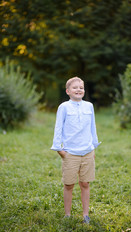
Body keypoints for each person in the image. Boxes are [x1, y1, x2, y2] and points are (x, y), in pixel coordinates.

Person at [51, 76, 100, 224]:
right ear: (68, 91)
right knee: (69, 184)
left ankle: (86, 214)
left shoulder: (89, 106)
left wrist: (94, 146)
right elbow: (58, 127)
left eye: (81, 87)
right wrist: (59, 148)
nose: (79, 90)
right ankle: (67, 214)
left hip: (87, 152)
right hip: (70, 153)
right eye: (75, 87)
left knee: (85, 183)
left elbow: (93, 127)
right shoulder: (64, 107)